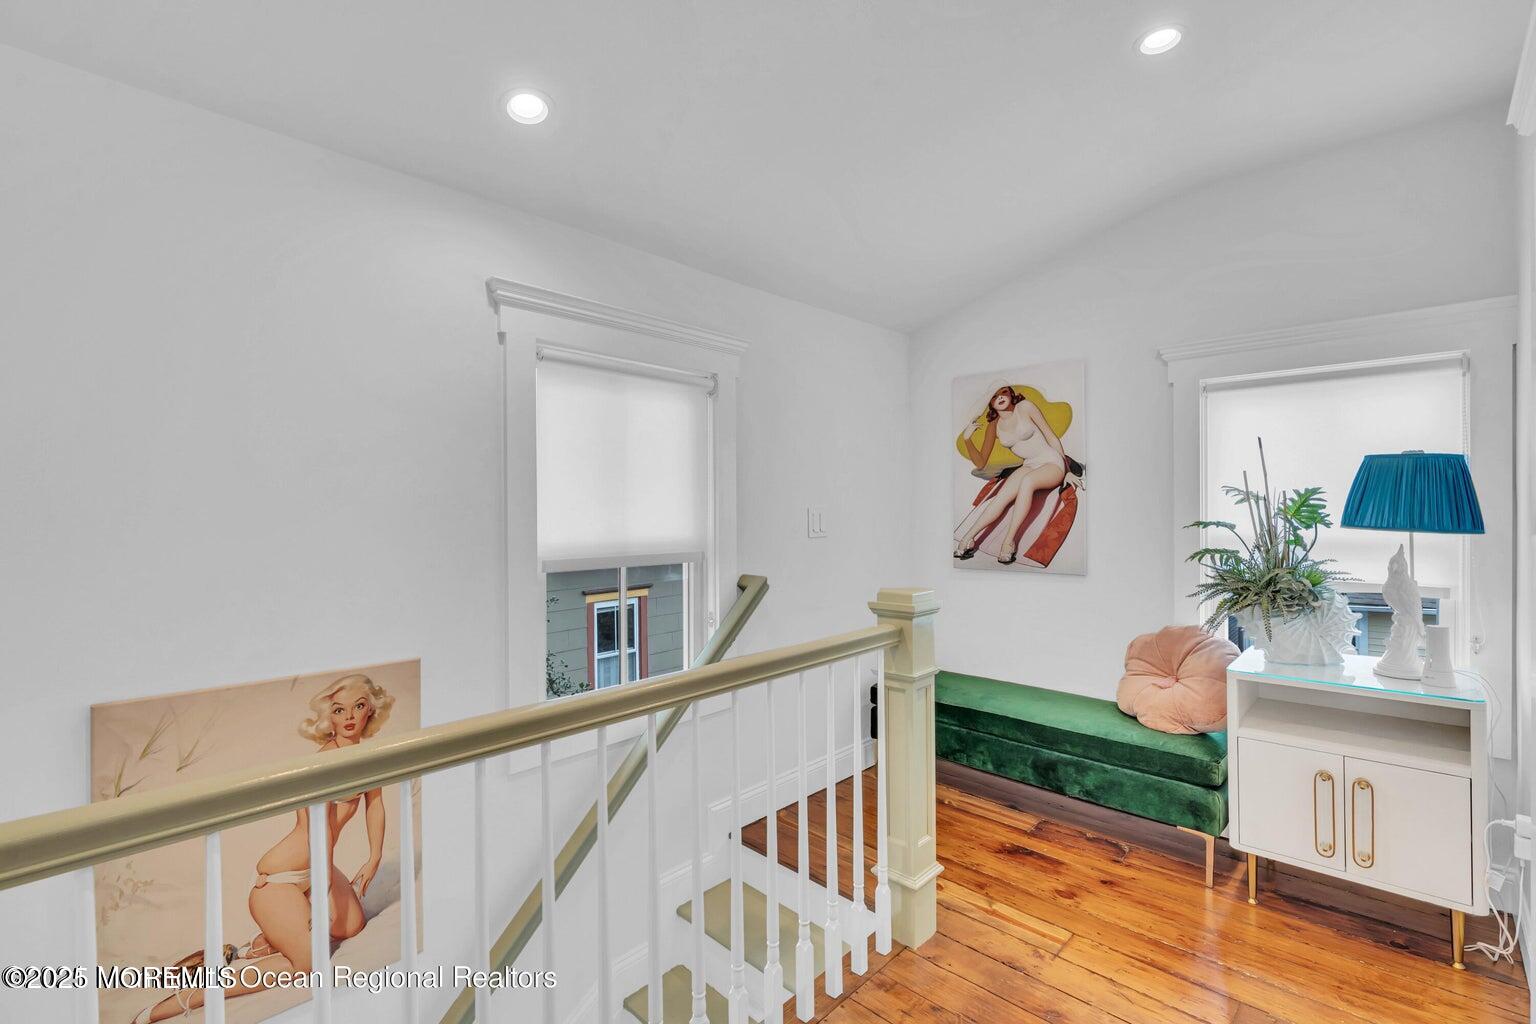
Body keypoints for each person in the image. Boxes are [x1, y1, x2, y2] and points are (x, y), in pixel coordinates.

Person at [131, 674, 393, 1023]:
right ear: (327, 717)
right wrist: (326, 886)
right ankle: (180, 1000)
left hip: (318, 869)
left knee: (351, 927)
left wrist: (374, 856)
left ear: (371, 710)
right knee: (306, 965)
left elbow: (375, 803)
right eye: (338, 709)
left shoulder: (368, 756)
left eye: (358, 707)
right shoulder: (321, 763)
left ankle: (244, 951)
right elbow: (318, 832)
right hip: (282, 879)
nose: (349, 717)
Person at [954, 385, 1083, 565]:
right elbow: (981, 461)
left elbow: (1051, 436)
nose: (1000, 397)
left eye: (1003, 392)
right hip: (1029, 464)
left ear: (1010, 393)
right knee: (1003, 496)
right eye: (994, 396)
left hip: (1052, 462)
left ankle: (1009, 541)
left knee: (1028, 481)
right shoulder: (994, 426)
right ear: (990, 404)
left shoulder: (1025, 407)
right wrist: (967, 439)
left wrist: (1067, 470)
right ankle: (967, 538)